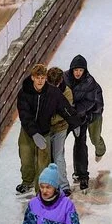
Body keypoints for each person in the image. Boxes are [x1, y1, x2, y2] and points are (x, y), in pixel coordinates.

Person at [16, 64, 80, 194]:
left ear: (45, 78)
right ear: (33, 78)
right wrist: (34, 133)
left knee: (42, 164)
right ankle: (27, 181)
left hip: (45, 131)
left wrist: (75, 122)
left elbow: (65, 108)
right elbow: (24, 114)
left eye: (42, 77)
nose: (40, 80)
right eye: (37, 77)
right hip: (28, 132)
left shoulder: (53, 92)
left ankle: (40, 191)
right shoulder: (24, 92)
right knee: (26, 159)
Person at [64, 55, 105, 192]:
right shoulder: (64, 78)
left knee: (84, 142)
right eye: (76, 70)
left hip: (84, 116)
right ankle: (54, 176)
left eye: (80, 70)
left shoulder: (90, 82)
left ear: (84, 71)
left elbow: (90, 102)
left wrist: (76, 111)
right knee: (56, 146)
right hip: (65, 118)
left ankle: (82, 175)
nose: (78, 73)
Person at [46, 67, 74, 197]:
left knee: (58, 156)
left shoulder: (67, 92)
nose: (54, 86)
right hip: (45, 129)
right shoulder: (43, 90)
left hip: (60, 128)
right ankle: (49, 184)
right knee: (46, 158)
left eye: (56, 83)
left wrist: (50, 119)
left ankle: (64, 186)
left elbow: (66, 112)